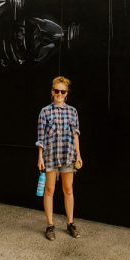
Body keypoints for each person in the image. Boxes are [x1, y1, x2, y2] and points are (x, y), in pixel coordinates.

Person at [36, 75, 83, 240]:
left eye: (63, 91)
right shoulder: (45, 112)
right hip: (50, 156)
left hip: (68, 155)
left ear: (66, 94)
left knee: (68, 189)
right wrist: (40, 157)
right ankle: (50, 225)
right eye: (57, 90)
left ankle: (70, 224)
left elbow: (76, 135)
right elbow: (41, 137)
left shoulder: (72, 111)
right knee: (49, 190)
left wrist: (78, 155)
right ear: (52, 92)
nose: (60, 94)